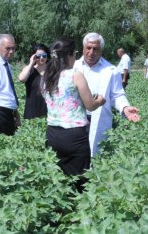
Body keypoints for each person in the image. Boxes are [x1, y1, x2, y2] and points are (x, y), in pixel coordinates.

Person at [42, 38, 105, 185]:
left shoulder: (46, 76)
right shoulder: (75, 75)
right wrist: (100, 100)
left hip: (52, 133)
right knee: (79, 181)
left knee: (57, 179)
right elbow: (90, 105)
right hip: (74, 136)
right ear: (70, 54)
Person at [73, 32, 140, 157]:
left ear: (101, 50)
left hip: (97, 118)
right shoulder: (73, 66)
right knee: (75, 155)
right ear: (83, 48)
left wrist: (125, 108)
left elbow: (117, 95)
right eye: (88, 48)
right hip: (75, 118)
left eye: (95, 49)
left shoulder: (110, 70)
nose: (91, 52)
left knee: (96, 156)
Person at [18, 44, 49, 119]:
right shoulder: (29, 69)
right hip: (32, 110)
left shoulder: (52, 70)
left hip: (49, 109)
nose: (41, 58)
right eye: (38, 56)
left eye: (44, 55)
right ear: (34, 57)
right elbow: (22, 79)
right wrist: (31, 63)